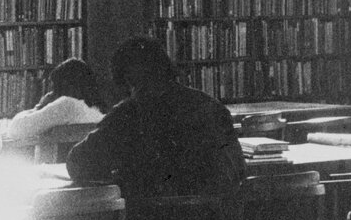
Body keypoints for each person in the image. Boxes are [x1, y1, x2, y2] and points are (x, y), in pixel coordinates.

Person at [65, 37, 245, 200]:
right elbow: (238, 169)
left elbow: (77, 162)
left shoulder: (128, 113)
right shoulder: (212, 106)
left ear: (126, 80)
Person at [1, 57, 106, 146]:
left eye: (54, 87)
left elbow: (16, 129)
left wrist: (38, 108)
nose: (51, 92)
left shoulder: (67, 104)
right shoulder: (94, 111)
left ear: (63, 87)